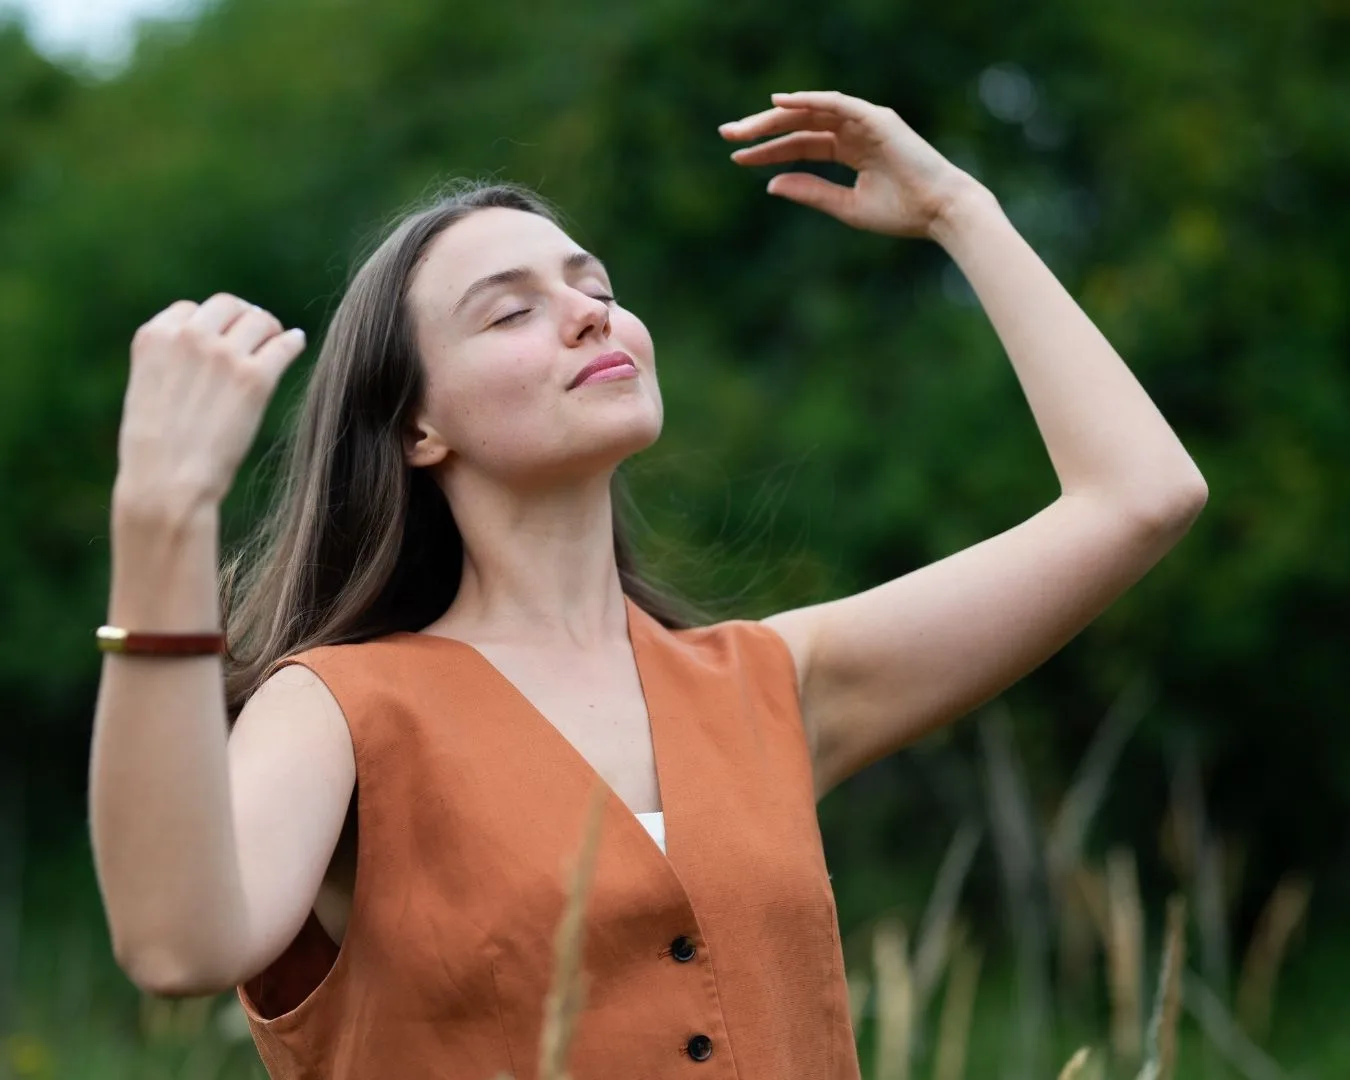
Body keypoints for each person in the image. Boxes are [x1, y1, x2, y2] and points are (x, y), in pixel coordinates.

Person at [88, 90, 1207, 1080]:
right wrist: (160, 520)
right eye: (510, 310)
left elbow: (1140, 496)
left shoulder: (773, 684)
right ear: (417, 425)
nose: (589, 312)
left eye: (596, 286)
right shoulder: (337, 708)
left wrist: (961, 209)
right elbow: (179, 946)